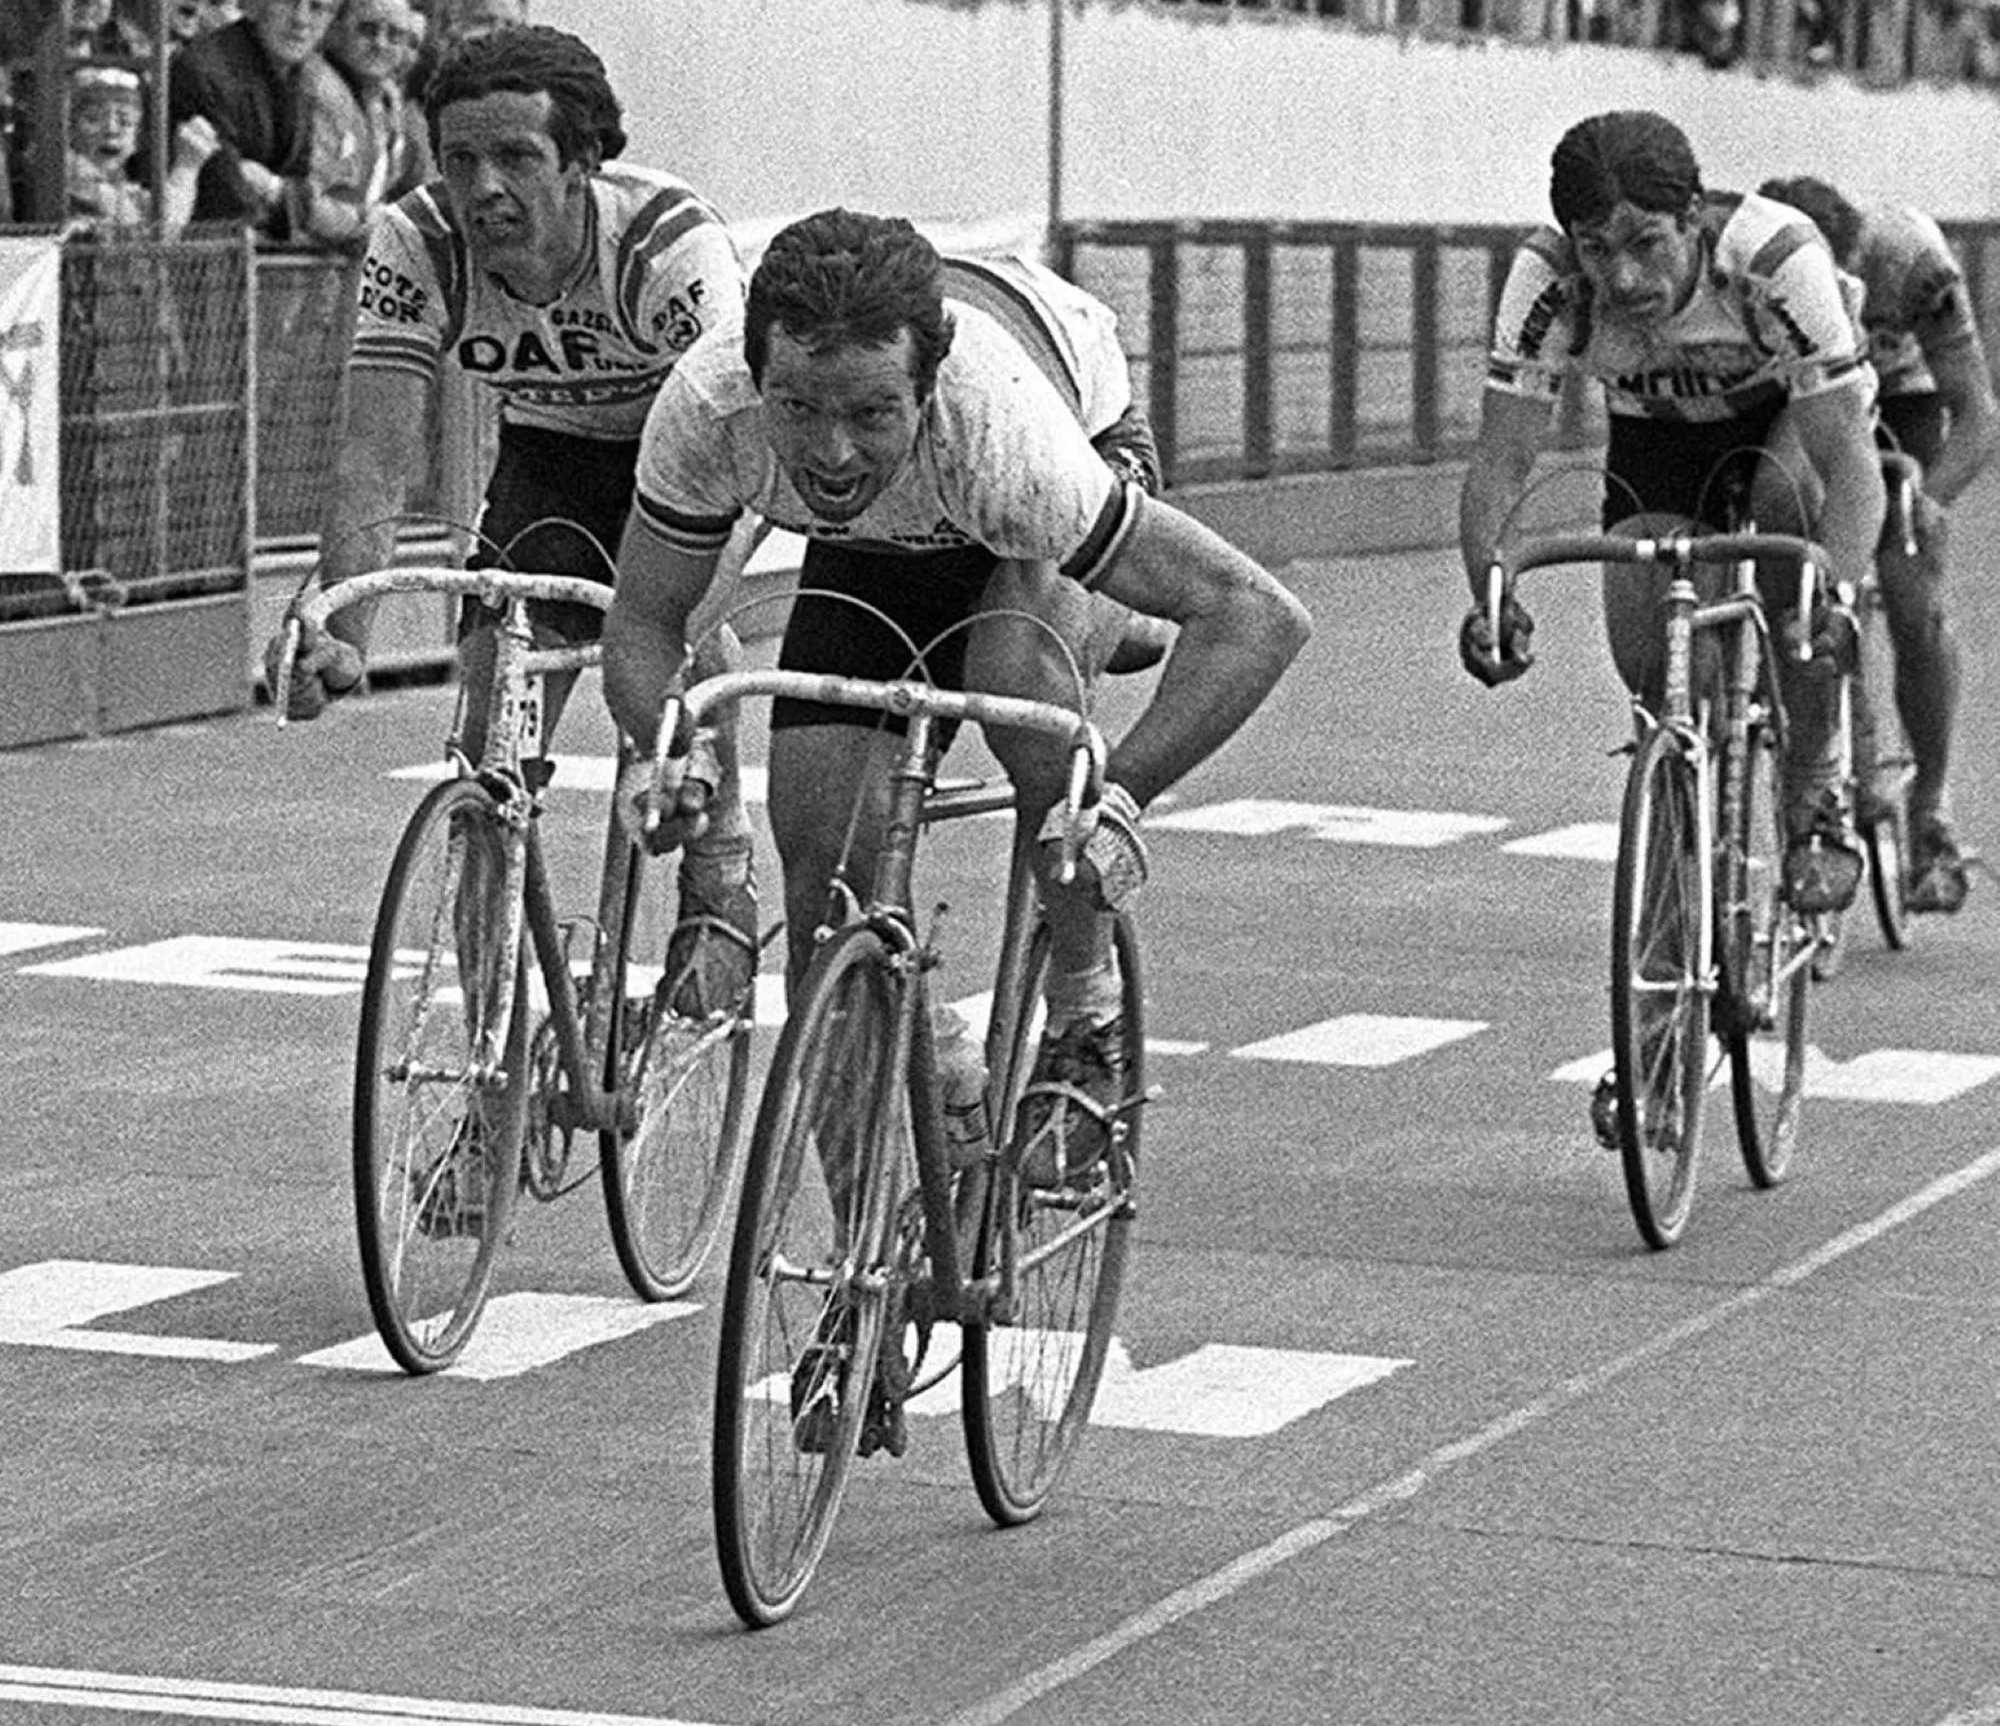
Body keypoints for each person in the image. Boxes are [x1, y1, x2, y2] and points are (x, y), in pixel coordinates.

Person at [601, 208, 1311, 1200]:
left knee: (1015, 675)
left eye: (867, 414)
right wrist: (672, 756)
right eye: (796, 408)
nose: (831, 450)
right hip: (877, 542)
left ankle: (1081, 1016)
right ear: (757, 377)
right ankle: (865, 1278)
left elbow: (1253, 615)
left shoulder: (1004, 435)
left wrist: (1118, 801)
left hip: (1031, 485)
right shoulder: (709, 407)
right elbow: (643, 623)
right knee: (818, 887)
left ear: (924, 390)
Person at [266, 25, 755, 1182]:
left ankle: (717, 872)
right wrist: (339, 625)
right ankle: (488, 1071)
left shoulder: (671, 250)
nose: (483, 188)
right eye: (459, 158)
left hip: (681, 466)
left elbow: (740, 480)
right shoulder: (415, 239)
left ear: (579, 162)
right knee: (489, 748)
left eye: (517, 160)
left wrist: (667, 630)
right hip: (542, 463)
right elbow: (374, 460)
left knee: (669, 673)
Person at [1455, 111, 1884, 1148]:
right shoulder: (1547, 283)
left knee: (1791, 554)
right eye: (1599, 251)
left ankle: (1813, 788)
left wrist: (1831, 598)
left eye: (1648, 244)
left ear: (1692, 220)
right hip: (1652, 447)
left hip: (1781, 431)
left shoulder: (1774, 261)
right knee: (1656, 695)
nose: (1627, 278)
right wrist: (1490, 593)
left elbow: (1850, 470)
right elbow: (1501, 461)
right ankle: (1656, 1029)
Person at [1758, 174, 1995, 912]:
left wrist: (1928, 500)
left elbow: (1978, 414)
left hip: (1903, 395)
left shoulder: (1914, 261)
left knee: (1913, 593)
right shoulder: (1765, 268)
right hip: (1811, 390)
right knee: (1784, 532)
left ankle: (1932, 800)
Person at [166, 0, 345, 241]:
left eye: (317, 7)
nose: (301, 20)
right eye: (288, 3)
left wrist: (272, 188)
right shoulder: (205, 71)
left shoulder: (308, 75)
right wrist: (288, 202)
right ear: (255, 5)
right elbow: (227, 198)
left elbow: (310, 183)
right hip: (202, 258)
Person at [303, 0, 432, 249]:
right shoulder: (316, 88)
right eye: (368, 29)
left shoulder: (388, 100)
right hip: (295, 263)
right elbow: (303, 203)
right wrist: (375, 224)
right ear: (336, 31)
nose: (380, 43)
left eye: (394, 35)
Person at [64, 63, 218, 235]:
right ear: (70, 130)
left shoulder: (127, 190)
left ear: (137, 139)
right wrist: (186, 168)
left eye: (125, 122)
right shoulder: (72, 178)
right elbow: (159, 235)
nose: (111, 130)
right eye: (93, 119)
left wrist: (188, 165)